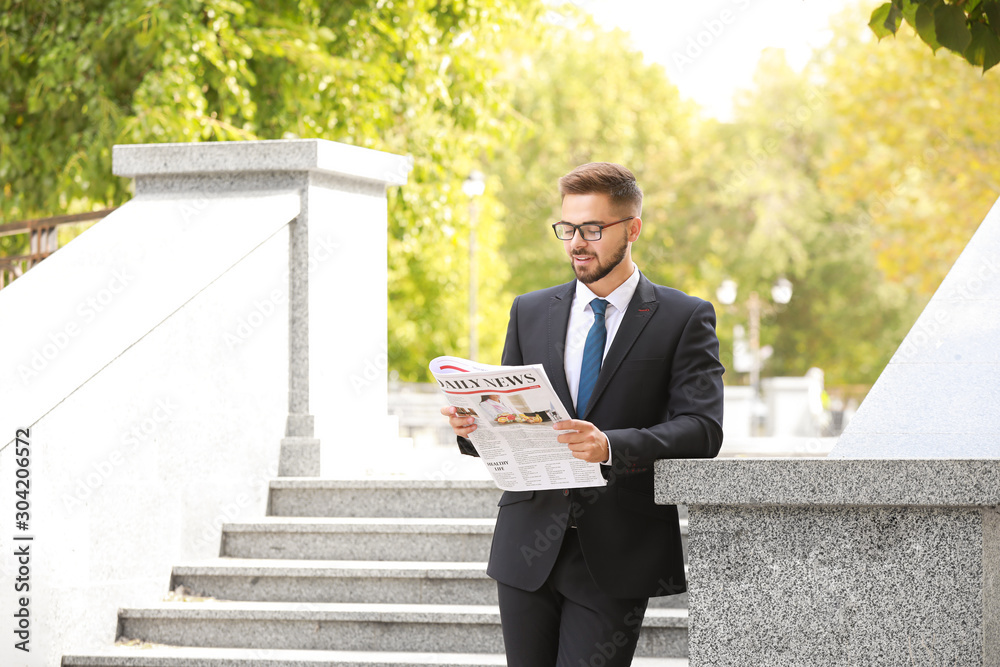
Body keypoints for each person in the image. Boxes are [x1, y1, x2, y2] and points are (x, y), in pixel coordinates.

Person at [441, 162, 724, 667]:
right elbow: (510, 415)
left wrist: (611, 445)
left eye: (593, 230)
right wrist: (472, 427)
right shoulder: (529, 310)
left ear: (632, 229)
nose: (576, 243)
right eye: (567, 229)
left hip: (615, 548)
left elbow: (703, 429)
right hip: (527, 544)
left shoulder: (683, 317)